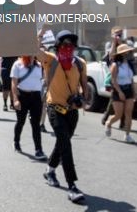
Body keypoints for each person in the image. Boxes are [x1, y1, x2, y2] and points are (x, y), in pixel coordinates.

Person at [38, 30, 89, 203]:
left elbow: (84, 86)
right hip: (55, 109)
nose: (68, 48)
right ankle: (72, 185)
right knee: (65, 144)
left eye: (71, 46)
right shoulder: (50, 60)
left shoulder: (80, 63)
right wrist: (39, 35)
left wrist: (83, 100)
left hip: (72, 111)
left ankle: (49, 170)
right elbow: (34, 51)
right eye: (65, 45)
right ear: (58, 46)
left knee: (62, 142)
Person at [11, 54, 46, 159]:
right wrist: (16, 99)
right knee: (20, 121)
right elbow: (14, 83)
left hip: (35, 97)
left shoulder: (39, 65)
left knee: (36, 124)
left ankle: (38, 150)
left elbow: (44, 80)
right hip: (22, 95)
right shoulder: (17, 64)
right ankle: (16, 142)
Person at [104, 44, 136, 143]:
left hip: (128, 89)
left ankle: (127, 135)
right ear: (121, 54)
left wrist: (134, 90)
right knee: (118, 114)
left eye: (129, 51)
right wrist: (120, 92)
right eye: (127, 52)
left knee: (128, 113)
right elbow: (113, 81)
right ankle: (109, 123)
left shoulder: (130, 65)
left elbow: (131, 79)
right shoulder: (115, 65)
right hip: (118, 90)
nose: (129, 53)